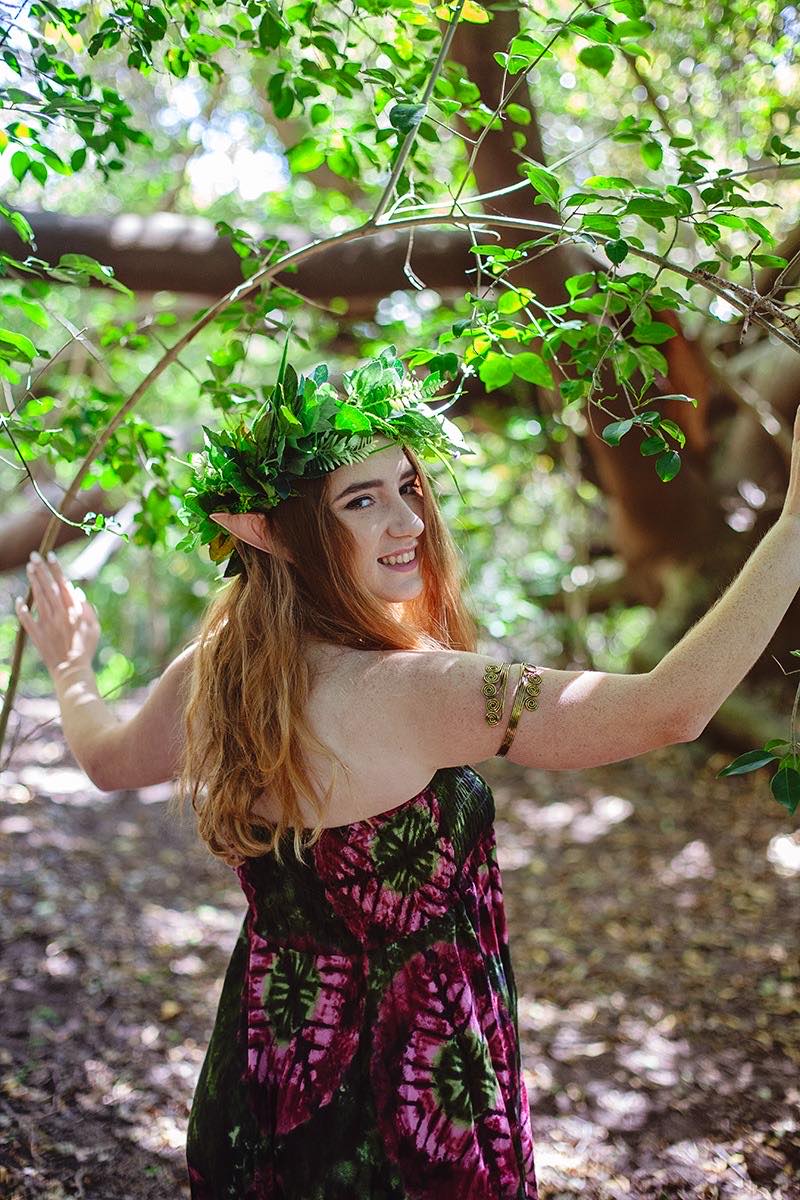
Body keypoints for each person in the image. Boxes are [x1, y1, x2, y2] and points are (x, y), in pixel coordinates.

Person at [14, 344, 800, 1200]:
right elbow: (672, 706)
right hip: (419, 1111)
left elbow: (104, 761)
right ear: (267, 530)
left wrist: (72, 666)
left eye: (407, 488)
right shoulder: (422, 690)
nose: (409, 523)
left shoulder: (216, 669)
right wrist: (794, 529)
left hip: (264, 1077)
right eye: (362, 499)